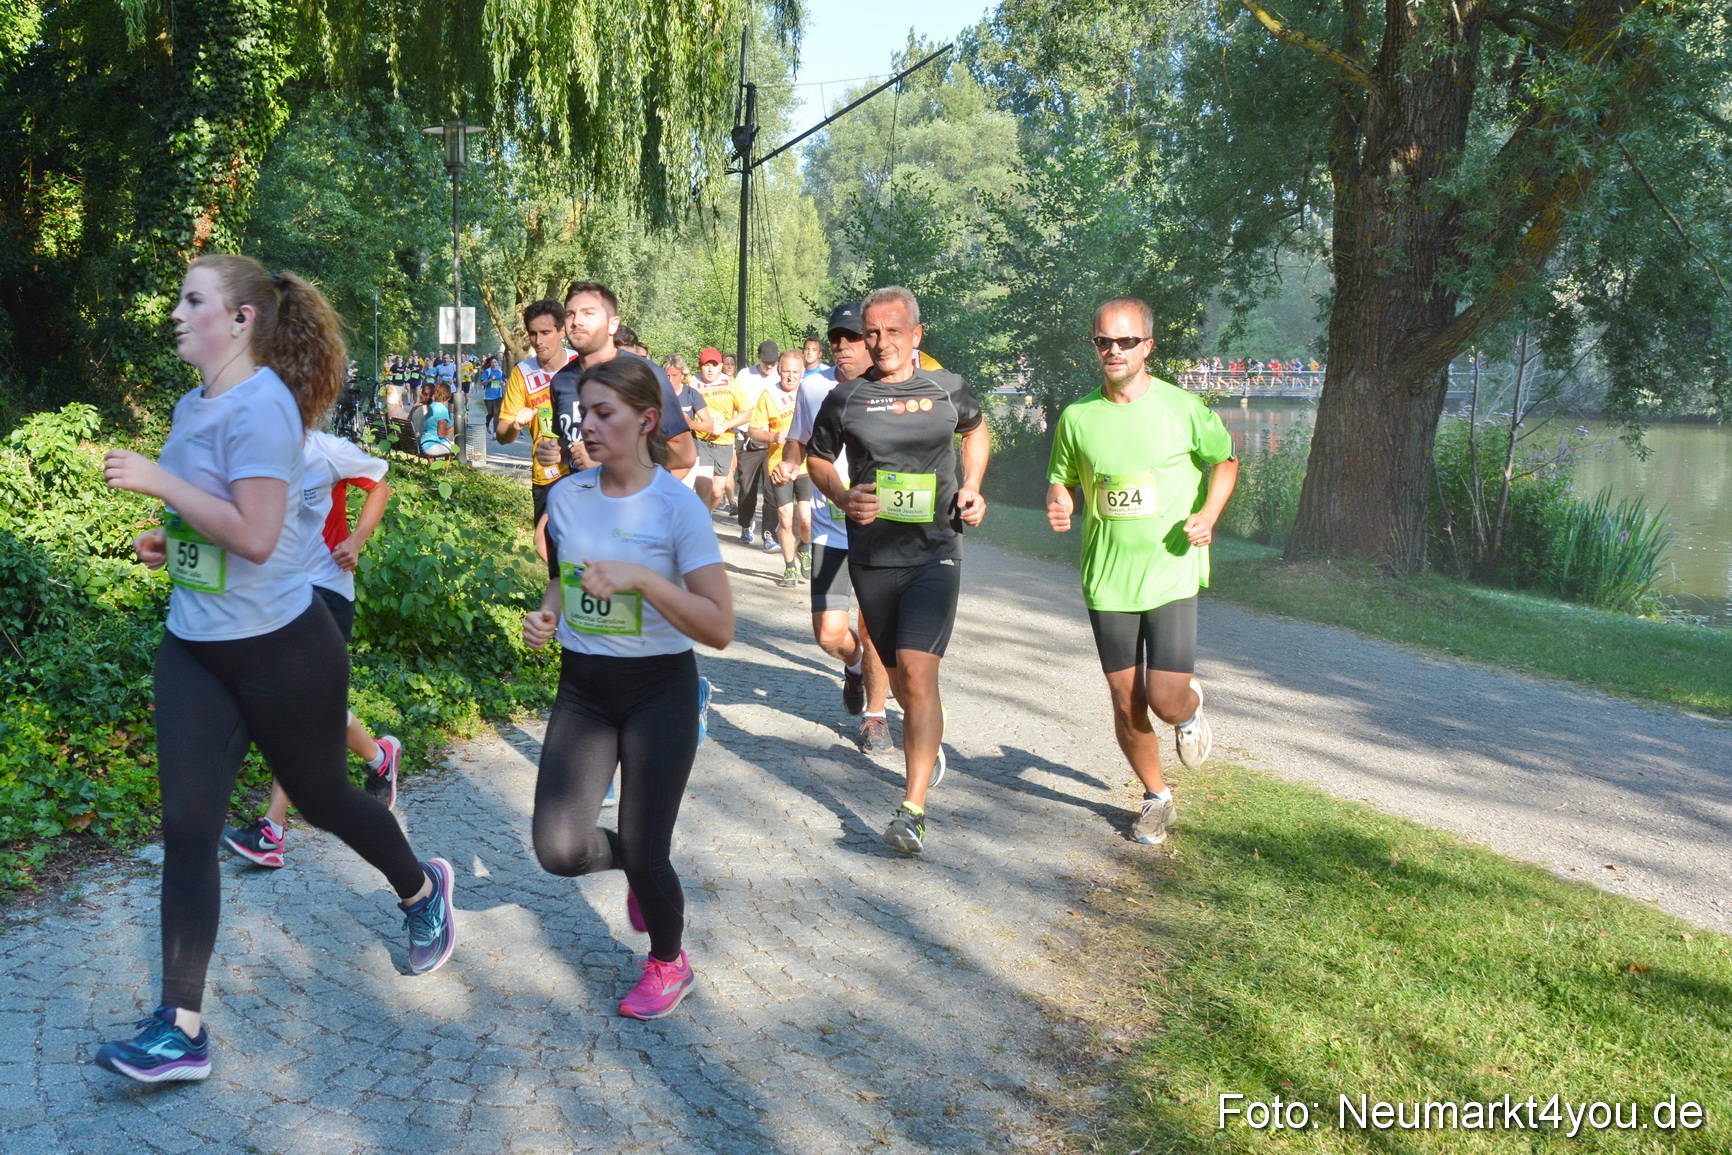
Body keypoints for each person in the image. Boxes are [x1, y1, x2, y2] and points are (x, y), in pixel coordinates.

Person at [97, 254, 456, 1083]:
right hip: (195, 643)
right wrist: (171, 539)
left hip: (280, 647)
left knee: (325, 798)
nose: (177, 312)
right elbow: (218, 522)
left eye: (194, 300)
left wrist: (156, 483)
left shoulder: (264, 405)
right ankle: (180, 1026)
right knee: (188, 827)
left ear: (241, 320)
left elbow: (258, 535)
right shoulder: (195, 403)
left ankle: (418, 885)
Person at [521, 355, 734, 1019]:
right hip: (583, 687)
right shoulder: (566, 496)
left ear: (646, 421)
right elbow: (564, 578)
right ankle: (638, 867)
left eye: (603, 413)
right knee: (558, 850)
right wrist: (548, 614)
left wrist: (643, 578)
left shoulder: (677, 507)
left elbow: (720, 626)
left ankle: (670, 962)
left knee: (650, 849)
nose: (587, 425)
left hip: (657, 691)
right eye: (584, 411)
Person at [1045, 297, 1238, 846]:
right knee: (1126, 701)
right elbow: (1062, 477)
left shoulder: (1182, 409)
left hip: (1171, 569)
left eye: (1125, 341)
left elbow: (1224, 461)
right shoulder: (1077, 417)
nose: (1113, 350)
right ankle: (1157, 798)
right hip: (1107, 580)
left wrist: (1208, 514)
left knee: (1165, 698)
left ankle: (1190, 708)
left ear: (1148, 346)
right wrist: (1060, 500)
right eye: (1103, 341)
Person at [806, 286, 989, 855]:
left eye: (891, 332)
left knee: (918, 669)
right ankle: (924, 737)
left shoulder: (946, 387)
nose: (880, 343)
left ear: (916, 336)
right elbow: (816, 457)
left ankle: (912, 811)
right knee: (905, 681)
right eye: (871, 332)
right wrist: (842, 495)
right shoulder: (846, 397)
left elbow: (975, 430)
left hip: (936, 551)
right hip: (873, 558)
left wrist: (974, 488)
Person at [221, 429, 404, 868]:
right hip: (274, 595)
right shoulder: (250, 449)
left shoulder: (328, 451)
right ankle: (380, 756)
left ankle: (271, 832)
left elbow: (380, 484)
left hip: (326, 592)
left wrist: (357, 540)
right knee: (308, 709)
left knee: (295, 710)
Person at [783, 302, 894, 754]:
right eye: (836, 340)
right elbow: (800, 439)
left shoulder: (896, 387)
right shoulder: (814, 387)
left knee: (874, 629)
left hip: (883, 529)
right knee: (831, 635)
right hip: (832, 527)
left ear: (870, 341)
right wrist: (789, 465)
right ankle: (853, 667)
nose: (843, 347)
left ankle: (876, 716)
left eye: (852, 338)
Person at [545, 282, 696, 487]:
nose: (577, 321)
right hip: (581, 508)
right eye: (570, 314)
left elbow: (684, 455)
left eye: (588, 313)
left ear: (613, 324)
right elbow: (573, 446)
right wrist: (556, 451)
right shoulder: (561, 381)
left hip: (634, 509)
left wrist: (610, 461)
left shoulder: (644, 375)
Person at [495, 299, 574, 527]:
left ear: (562, 331)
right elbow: (502, 436)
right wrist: (515, 426)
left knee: (583, 550)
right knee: (545, 546)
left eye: (546, 332)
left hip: (582, 470)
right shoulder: (523, 372)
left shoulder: (581, 363)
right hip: (546, 474)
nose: (538, 341)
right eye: (533, 334)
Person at [755, 350, 813, 587]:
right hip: (778, 466)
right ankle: (789, 568)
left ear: (803, 373)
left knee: (806, 520)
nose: (790, 377)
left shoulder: (810, 393)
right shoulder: (769, 395)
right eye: (786, 371)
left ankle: (805, 547)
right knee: (786, 520)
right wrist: (772, 435)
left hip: (806, 465)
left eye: (795, 372)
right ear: (779, 371)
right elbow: (753, 430)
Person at [691, 347, 750, 512]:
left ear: (720, 366)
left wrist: (725, 425)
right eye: (706, 365)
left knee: (717, 491)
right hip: (700, 441)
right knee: (704, 487)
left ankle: (706, 514)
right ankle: (702, 523)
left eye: (714, 365)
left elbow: (747, 413)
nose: (710, 369)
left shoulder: (731, 383)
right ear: (700, 366)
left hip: (724, 442)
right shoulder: (692, 382)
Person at [733, 340, 780, 546]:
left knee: (772, 490)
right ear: (758, 356)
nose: (769, 366)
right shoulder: (745, 375)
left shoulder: (782, 376)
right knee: (746, 486)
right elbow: (736, 405)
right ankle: (746, 524)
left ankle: (769, 534)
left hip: (775, 441)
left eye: (773, 362)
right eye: (766, 361)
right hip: (748, 439)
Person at [661, 353, 712, 491]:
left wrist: (691, 424)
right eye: (667, 375)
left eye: (674, 375)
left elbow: (709, 426)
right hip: (662, 453)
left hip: (687, 454)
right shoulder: (657, 395)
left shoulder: (692, 394)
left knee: (681, 494)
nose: (670, 380)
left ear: (682, 375)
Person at [420, 382, 456, 457]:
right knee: (462, 447)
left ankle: (447, 466)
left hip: (426, 442)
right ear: (449, 396)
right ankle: (452, 467)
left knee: (455, 445)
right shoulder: (442, 410)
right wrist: (457, 425)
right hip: (433, 444)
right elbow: (442, 434)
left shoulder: (433, 405)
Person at [480, 355, 505, 429]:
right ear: (490, 363)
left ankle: (495, 432)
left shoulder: (500, 371)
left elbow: (504, 381)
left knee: (496, 413)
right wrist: (490, 380)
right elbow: (481, 383)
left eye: (495, 362)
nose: (494, 364)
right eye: (492, 362)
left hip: (498, 395)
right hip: (488, 395)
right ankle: (487, 424)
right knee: (490, 413)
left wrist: (503, 383)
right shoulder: (488, 371)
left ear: (498, 363)